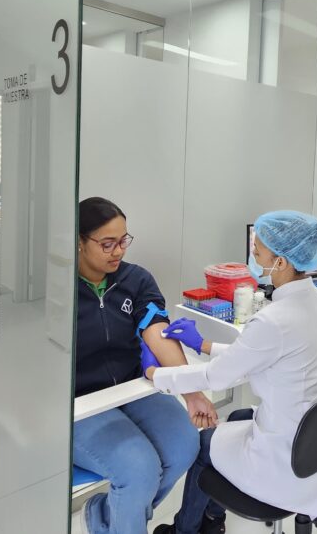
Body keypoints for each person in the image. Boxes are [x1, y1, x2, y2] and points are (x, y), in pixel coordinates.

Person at [149, 211, 317, 534]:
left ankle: (185, 530)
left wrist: (157, 376)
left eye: (258, 251)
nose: (253, 257)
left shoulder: (274, 320)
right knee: (236, 417)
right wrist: (203, 344)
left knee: (203, 444)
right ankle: (213, 520)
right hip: (312, 443)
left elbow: (217, 377)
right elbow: (261, 356)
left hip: (283, 461)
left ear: (281, 262)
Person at [73, 197, 218, 534]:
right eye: (107, 243)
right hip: (80, 402)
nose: (118, 251)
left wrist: (192, 393)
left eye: (123, 240)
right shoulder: (58, 289)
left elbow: (157, 332)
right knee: (139, 470)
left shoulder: (135, 279)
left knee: (184, 446)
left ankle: (107, 517)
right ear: (79, 242)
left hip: (130, 388)